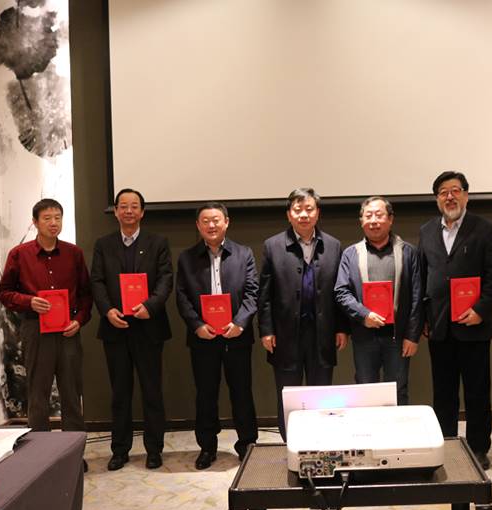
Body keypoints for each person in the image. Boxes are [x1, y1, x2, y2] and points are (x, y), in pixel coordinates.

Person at [418, 172, 492, 470]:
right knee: (443, 393)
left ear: (466, 195)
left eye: (455, 190)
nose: (450, 196)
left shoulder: (486, 230)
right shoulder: (427, 231)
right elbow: (422, 276)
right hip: (439, 325)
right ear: (437, 199)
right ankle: (447, 444)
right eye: (444, 192)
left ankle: (479, 448)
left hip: (474, 324)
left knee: (477, 392)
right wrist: (424, 317)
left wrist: (481, 309)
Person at [0, 198, 92, 471]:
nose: (53, 223)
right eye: (47, 218)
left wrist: (79, 320)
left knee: (72, 395)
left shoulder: (74, 253)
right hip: (35, 330)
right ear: (35, 222)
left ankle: (74, 456)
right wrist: (29, 301)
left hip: (68, 332)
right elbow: (4, 293)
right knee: (37, 395)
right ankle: (40, 459)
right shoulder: (20, 254)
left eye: (57, 217)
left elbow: (86, 295)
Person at [90, 188, 173, 471]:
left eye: (134, 206)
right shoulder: (103, 244)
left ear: (142, 212)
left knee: (152, 391)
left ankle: (154, 449)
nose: (128, 211)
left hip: (149, 327)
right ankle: (120, 450)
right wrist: (107, 311)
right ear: (115, 212)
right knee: (120, 393)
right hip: (116, 327)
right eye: (123, 206)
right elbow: (97, 281)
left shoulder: (158, 242)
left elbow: (165, 279)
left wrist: (150, 306)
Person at [258, 188, 348, 440]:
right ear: (289, 214)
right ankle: (290, 442)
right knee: (288, 395)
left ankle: (321, 441)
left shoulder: (333, 246)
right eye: (297, 210)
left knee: (321, 394)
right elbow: (265, 294)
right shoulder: (273, 246)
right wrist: (266, 330)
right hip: (285, 334)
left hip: (323, 334)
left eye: (309, 209)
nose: (304, 215)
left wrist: (342, 328)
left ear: (317, 213)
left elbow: (340, 291)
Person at [176, 202, 259, 468]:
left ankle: (247, 445)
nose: (211, 225)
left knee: (242, 393)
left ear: (226, 222)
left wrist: (240, 323)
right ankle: (207, 447)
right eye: (205, 221)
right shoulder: (187, 258)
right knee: (205, 394)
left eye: (216, 220)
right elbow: (182, 297)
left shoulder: (244, 254)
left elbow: (252, 293)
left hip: (237, 336)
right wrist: (197, 325)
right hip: (203, 337)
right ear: (198, 225)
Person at [334, 196, 422, 405]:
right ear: (361, 221)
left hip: (398, 337)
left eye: (379, 215)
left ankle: (397, 428)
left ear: (390, 219)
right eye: (368, 216)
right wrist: (364, 315)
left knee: (398, 390)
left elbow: (417, 296)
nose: (373, 221)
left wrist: (412, 336)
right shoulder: (351, 254)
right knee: (366, 391)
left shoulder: (408, 252)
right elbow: (341, 292)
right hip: (364, 335)